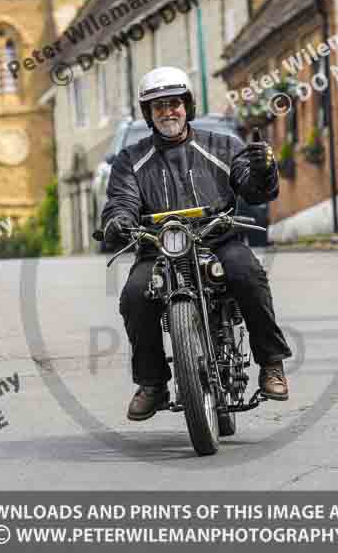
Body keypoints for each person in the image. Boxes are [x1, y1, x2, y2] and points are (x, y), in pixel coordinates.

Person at [101, 67, 292, 421]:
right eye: (158, 106)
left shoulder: (223, 145)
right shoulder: (131, 159)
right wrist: (119, 220)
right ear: (148, 113)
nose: (167, 112)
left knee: (248, 274)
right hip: (158, 249)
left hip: (217, 239)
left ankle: (271, 364)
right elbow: (121, 200)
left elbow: (252, 188)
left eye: (174, 103)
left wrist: (264, 172)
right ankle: (152, 383)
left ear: (187, 105)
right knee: (133, 296)